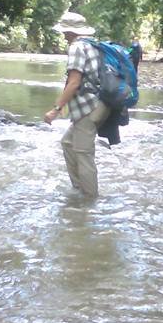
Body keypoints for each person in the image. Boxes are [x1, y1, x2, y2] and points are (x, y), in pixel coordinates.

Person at [44, 12, 109, 198]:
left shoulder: (77, 47)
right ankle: (78, 190)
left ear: (70, 31)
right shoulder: (94, 45)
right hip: (100, 104)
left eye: (65, 31)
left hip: (89, 108)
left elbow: (74, 83)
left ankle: (89, 200)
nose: (63, 35)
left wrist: (56, 110)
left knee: (83, 153)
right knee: (67, 143)